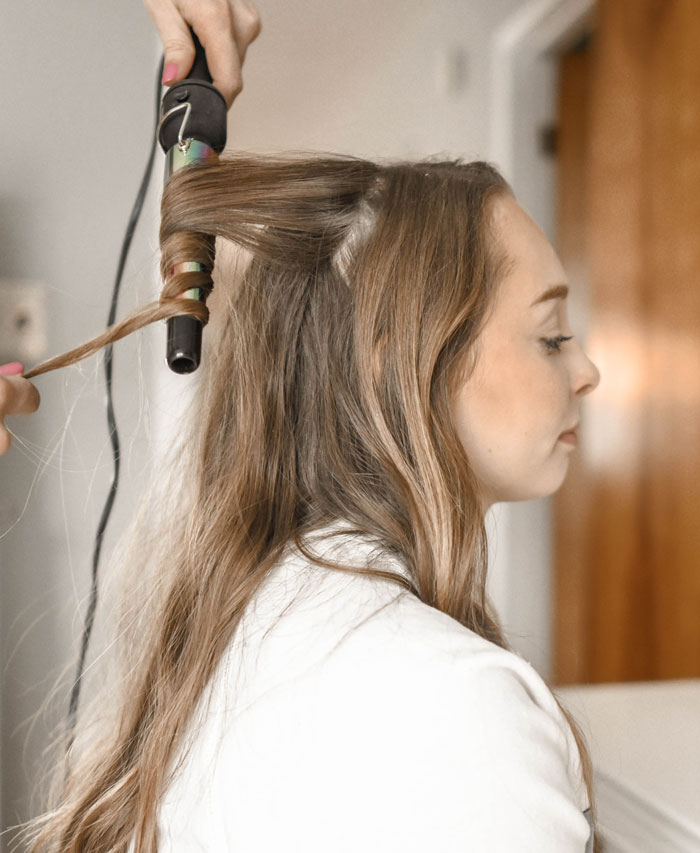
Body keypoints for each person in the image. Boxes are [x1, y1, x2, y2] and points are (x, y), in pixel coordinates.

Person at [10, 2, 603, 852]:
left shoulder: (248, 610)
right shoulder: (452, 709)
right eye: (550, 334)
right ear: (399, 358)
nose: (586, 371)